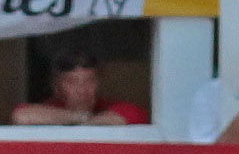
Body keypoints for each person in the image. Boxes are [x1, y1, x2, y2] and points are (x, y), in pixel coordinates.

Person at [12, 49, 147, 126]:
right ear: (56, 87)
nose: (82, 89)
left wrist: (85, 121)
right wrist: (79, 117)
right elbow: (21, 116)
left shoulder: (108, 107)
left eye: (89, 81)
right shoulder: (50, 108)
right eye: (72, 82)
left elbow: (135, 114)